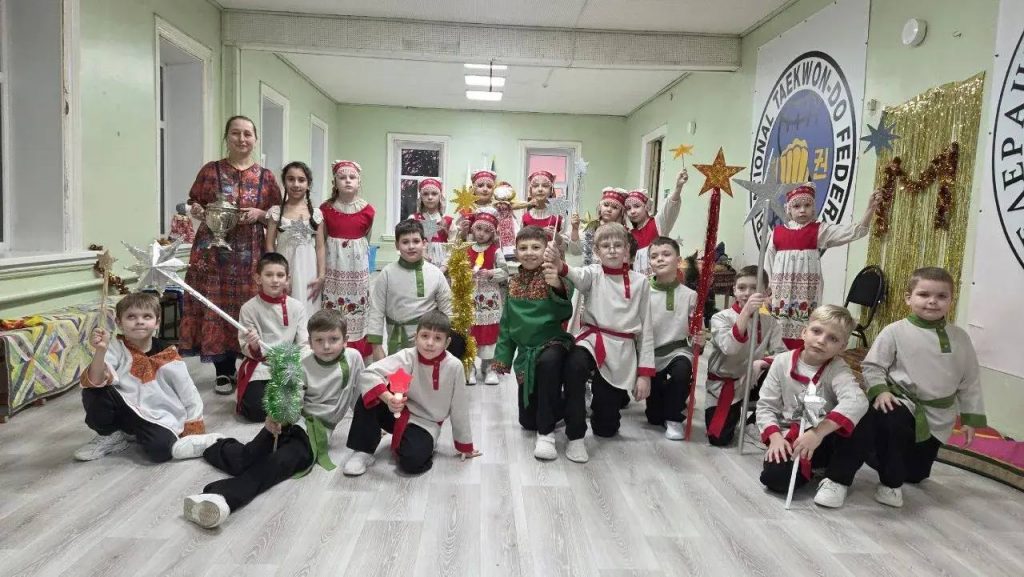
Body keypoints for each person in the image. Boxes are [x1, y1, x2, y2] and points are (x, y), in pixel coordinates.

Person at [183, 309, 364, 528]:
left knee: (275, 465)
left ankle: (222, 497)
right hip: (290, 420)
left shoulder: (353, 358)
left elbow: (358, 391)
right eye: (319, 340)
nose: (326, 346)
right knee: (245, 460)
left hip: (314, 434)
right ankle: (212, 445)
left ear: (345, 340)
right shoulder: (300, 362)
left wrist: (366, 424)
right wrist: (276, 416)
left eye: (333, 339)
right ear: (310, 342)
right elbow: (291, 396)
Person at [859, 267, 986, 508]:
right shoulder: (894, 331)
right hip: (902, 402)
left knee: (915, 475)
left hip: (938, 414)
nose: (932, 301)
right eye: (924, 294)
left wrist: (970, 418)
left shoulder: (960, 337)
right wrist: (881, 390)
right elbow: (873, 366)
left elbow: (970, 380)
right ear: (909, 298)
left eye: (941, 296)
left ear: (951, 300)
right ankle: (890, 485)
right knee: (893, 425)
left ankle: (878, 456)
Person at [180, 115, 282, 395]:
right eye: (236, 133)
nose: (242, 139)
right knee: (217, 306)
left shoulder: (266, 177)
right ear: (226, 137)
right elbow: (194, 202)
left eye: (247, 134)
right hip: (213, 253)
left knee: (249, 307)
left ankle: (250, 366)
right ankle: (223, 371)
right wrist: (197, 210)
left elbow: (277, 214)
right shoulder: (210, 171)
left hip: (251, 253)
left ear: (255, 139)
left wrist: (261, 213)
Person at [544, 222, 655, 463]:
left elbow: (646, 329)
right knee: (574, 365)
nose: (612, 250)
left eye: (618, 245)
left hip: (622, 349)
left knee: (606, 428)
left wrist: (645, 374)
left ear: (627, 250)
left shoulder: (640, 282)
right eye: (606, 246)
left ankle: (596, 408)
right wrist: (557, 262)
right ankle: (575, 435)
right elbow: (572, 274)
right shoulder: (593, 274)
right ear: (596, 251)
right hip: (592, 339)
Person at [74, 292, 223, 462]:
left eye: (147, 316)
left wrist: (194, 425)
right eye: (131, 317)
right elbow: (95, 380)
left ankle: (138, 434)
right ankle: (111, 435)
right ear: (119, 322)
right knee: (94, 390)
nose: (139, 321)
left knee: (161, 452)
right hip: (125, 408)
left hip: (157, 414)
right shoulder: (115, 348)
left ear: (157, 322)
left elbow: (188, 391)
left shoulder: (168, 354)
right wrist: (101, 350)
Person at [756, 305, 869, 508]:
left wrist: (817, 433)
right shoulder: (781, 362)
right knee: (775, 479)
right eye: (816, 331)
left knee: (864, 416)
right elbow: (766, 406)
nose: (821, 340)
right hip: (791, 435)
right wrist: (775, 438)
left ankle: (836, 478)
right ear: (804, 332)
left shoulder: (838, 369)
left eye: (833, 338)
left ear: (842, 347)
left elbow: (856, 400)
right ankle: (811, 468)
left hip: (824, 437)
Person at [342, 311, 480, 476]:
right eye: (425, 336)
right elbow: (369, 374)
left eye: (437, 338)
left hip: (426, 423)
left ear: (447, 342)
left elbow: (460, 407)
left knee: (411, 463)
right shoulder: (407, 356)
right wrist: (388, 399)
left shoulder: (454, 366)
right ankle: (362, 451)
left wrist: (464, 445)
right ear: (416, 337)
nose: (430, 343)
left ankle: (423, 443)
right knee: (369, 395)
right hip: (398, 411)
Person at [491, 226, 576, 460]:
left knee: (548, 364)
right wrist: (502, 358)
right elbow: (507, 324)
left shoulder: (552, 276)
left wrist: (556, 283)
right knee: (527, 422)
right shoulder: (513, 283)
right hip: (526, 354)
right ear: (516, 252)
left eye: (536, 247)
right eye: (523, 248)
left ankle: (546, 435)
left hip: (553, 344)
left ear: (546, 250)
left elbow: (565, 308)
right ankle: (562, 406)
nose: (529, 252)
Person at [765, 185, 881, 349]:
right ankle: (777, 358)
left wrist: (870, 209)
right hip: (780, 291)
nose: (802, 210)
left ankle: (803, 356)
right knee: (778, 329)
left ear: (813, 208)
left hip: (806, 292)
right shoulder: (776, 233)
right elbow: (767, 265)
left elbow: (855, 232)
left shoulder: (818, 230)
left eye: (807, 205)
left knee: (805, 326)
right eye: (797, 206)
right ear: (788, 209)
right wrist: (766, 293)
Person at [705, 265, 787, 446]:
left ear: (766, 292)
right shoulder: (720, 318)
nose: (747, 293)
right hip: (725, 384)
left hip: (753, 379)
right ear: (734, 290)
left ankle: (754, 422)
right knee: (718, 438)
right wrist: (746, 312)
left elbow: (783, 355)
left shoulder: (770, 322)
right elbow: (729, 348)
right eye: (742, 288)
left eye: (754, 288)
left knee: (784, 371)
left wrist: (761, 362)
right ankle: (733, 414)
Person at [366, 219, 465, 361]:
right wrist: (376, 347)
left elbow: (448, 311)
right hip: (397, 342)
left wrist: (444, 341)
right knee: (398, 375)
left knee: (426, 374)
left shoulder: (435, 273)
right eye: (405, 242)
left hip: (429, 343)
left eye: (416, 241)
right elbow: (376, 310)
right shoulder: (387, 273)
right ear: (397, 245)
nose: (411, 246)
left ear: (424, 243)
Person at [235, 252, 309, 422]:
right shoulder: (248, 308)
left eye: (280, 275)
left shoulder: (297, 307)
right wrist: (254, 345)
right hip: (261, 365)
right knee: (256, 410)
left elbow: (304, 343)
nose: (275, 280)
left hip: (289, 363)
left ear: (287, 279)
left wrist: (292, 362)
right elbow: (245, 346)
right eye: (269, 275)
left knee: (306, 401)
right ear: (258, 278)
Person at [646, 237, 702, 440]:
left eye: (666, 254)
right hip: (650, 353)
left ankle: (674, 418)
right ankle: (665, 401)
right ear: (650, 262)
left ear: (678, 261)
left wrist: (700, 340)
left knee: (681, 371)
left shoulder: (690, 295)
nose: (660, 259)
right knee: (653, 418)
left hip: (678, 350)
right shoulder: (643, 291)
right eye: (654, 256)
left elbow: (697, 330)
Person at [320, 160, 374, 358]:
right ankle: (333, 341)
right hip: (334, 265)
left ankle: (357, 345)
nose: (348, 181)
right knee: (334, 303)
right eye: (342, 178)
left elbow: (366, 239)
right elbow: (322, 240)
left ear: (359, 182)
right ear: (335, 182)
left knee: (357, 302)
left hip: (357, 267)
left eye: (352, 177)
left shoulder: (368, 210)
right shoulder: (325, 209)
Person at [265, 161, 326, 318]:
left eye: (301, 180)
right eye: (291, 179)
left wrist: (321, 276)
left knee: (307, 313)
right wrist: (278, 274)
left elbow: (320, 247)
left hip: (309, 273)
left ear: (308, 184)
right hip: (284, 272)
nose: (296, 184)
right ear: (284, 182)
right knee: (283, 312)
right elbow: (270, 246)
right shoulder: (276, 212)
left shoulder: (316, 214)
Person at [467, 207, 509, 385]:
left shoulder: (495, 251)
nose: (481, 234)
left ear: (492, 233)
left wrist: (491, 273)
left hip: (489, 299)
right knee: (470, 331)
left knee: (490, 332)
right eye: (478, 229)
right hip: (470, 298)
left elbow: (505, 272)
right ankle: (470, 367)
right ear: (473, 229)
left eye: (486, 231)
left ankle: (489, 366)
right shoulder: (466, 249)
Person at [624, 169, 686, 274]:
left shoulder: (657, 223)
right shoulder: (629, 234)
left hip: (660, 279)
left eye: (637, 206)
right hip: (639, 281)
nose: (632, 211)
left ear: (647, 207)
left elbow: (669, 207)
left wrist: (678, 187)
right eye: (628, 208)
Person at [568, 187, 627, 262]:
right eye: (606, 205)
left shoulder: (623, 233)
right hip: (590, 268)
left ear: (621, 213)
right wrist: (575, 229)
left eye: (615, 207)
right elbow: (575, 251)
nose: (609, 209)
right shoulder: (591, 227)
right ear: (600, 207)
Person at [522, 170, 571, 248]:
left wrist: (557, 237)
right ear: (530, 191)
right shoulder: (525, 218)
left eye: (545, 186)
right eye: (535, 186)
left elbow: (566, 246)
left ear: (551, 190)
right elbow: (521, 244)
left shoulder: (558, 217)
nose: (540, 189)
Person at [411, 178, 452, 268]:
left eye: (434, 193)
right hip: (419, 265)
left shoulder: (448, 221)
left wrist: (444, 268)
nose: (430, 197)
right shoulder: (413, 219)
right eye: (425, 194)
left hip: (443, 267)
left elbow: (452, 248)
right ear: (421, 197)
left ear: (440, 196)